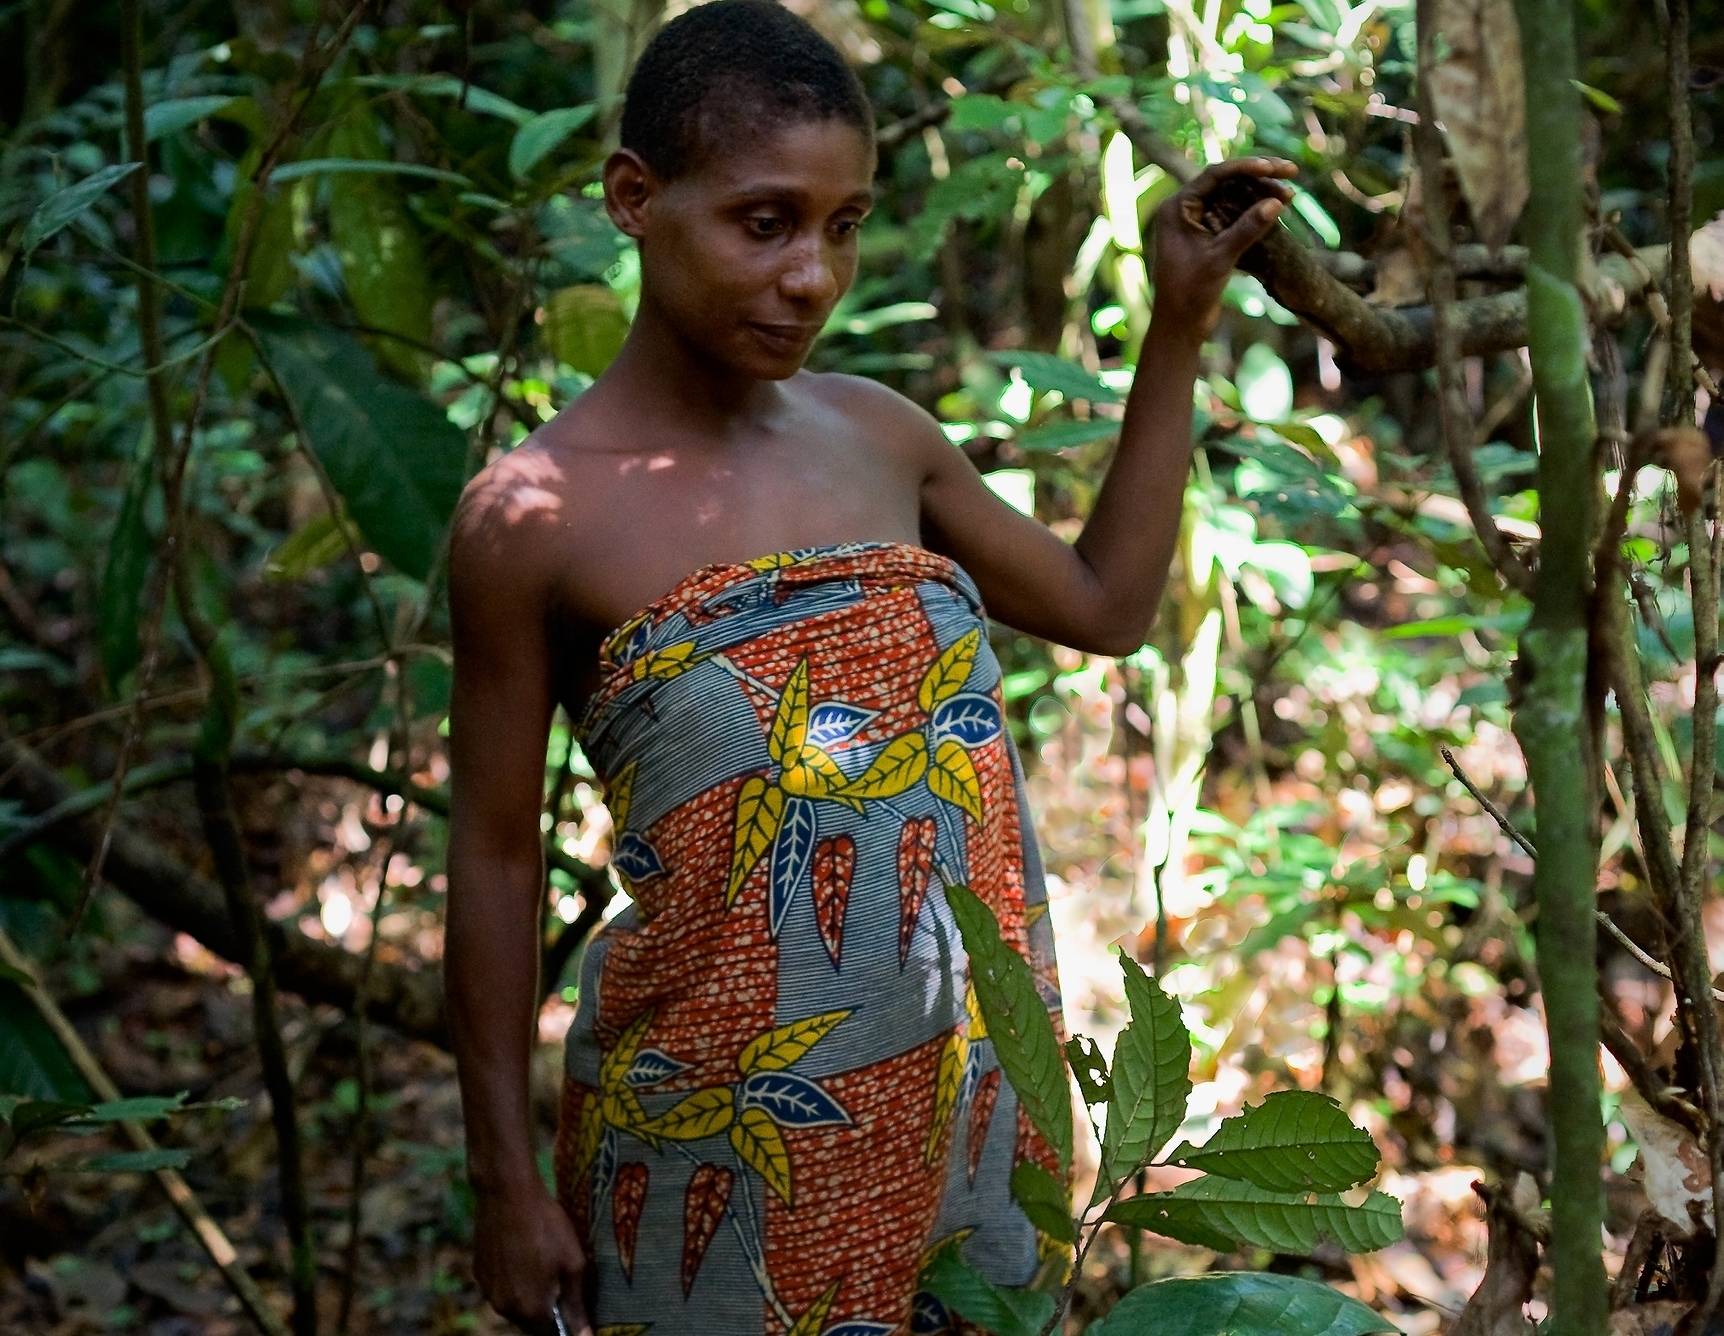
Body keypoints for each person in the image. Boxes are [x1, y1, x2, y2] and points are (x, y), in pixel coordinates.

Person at [443, 2, 1293, 1332]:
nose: (813, 276)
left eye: (842, 227)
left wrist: (1177, 317)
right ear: (634, 198)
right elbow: (494, 860)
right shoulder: (534, 519)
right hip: (714, 1152)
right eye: (764, 222)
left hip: (965, 1123)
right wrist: (502, 1174)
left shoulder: (879, 437)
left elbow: (1107, 604)